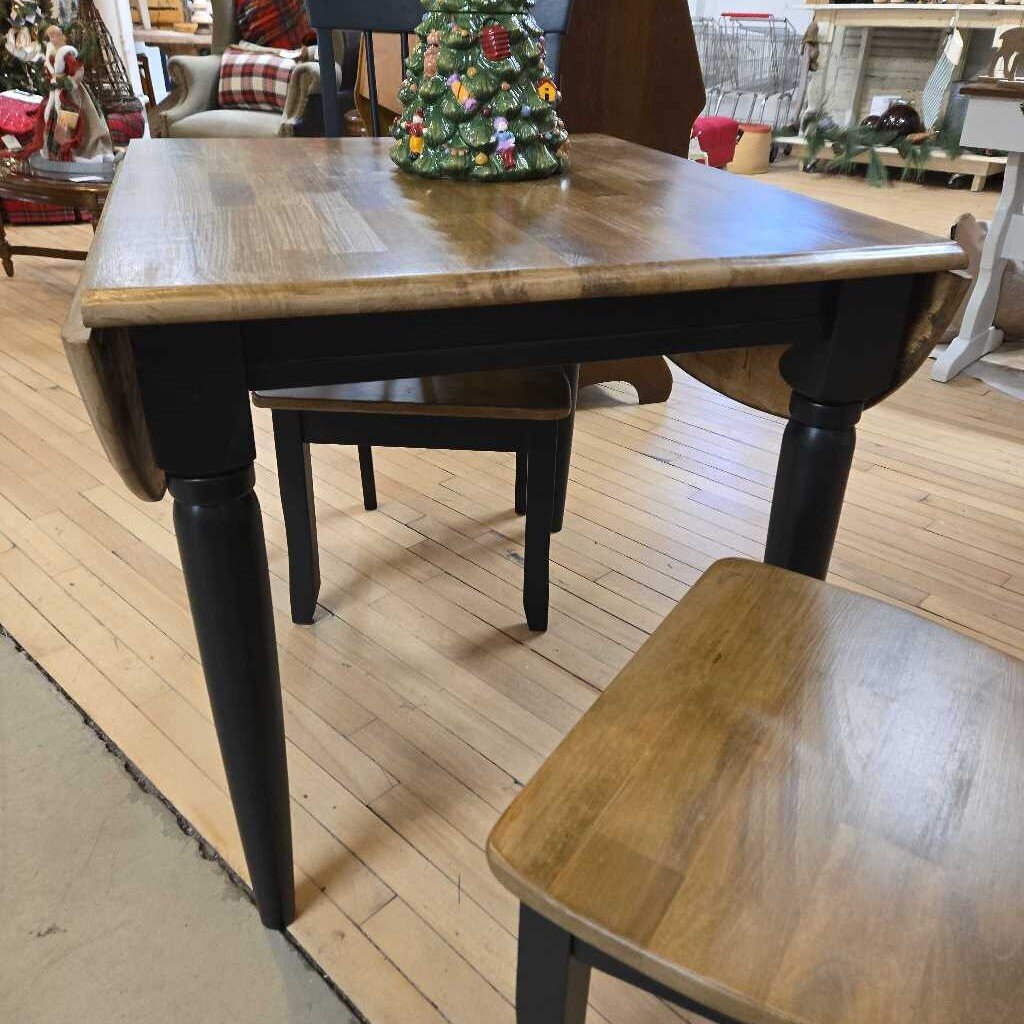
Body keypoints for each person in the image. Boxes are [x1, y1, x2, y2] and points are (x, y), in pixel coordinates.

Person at [22, 23, 113, 166]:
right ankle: (55, 150)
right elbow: (48, 72)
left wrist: (70, 82)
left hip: (70, 93)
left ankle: (77, 149)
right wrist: (49, 81)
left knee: (71, 117)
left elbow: (78, 71)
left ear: (62, 36)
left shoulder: (66, 53)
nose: (52, 39)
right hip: (55, 91)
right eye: (50, 36)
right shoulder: (50, 52)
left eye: (55, 35)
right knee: (52, 117)